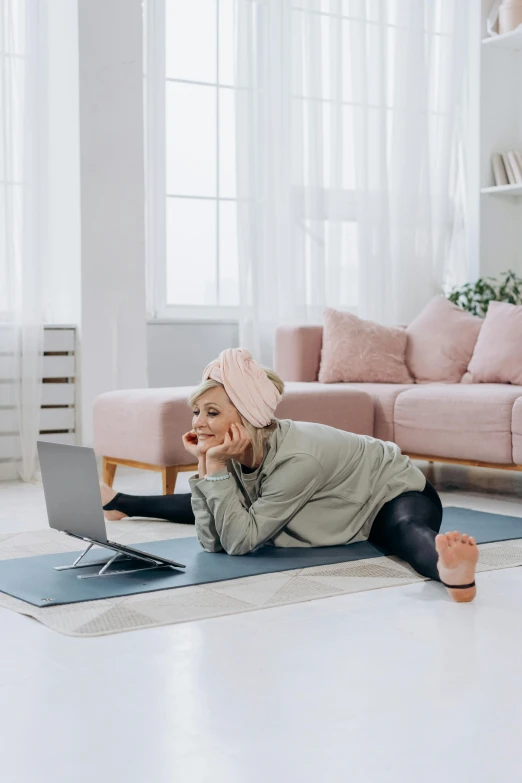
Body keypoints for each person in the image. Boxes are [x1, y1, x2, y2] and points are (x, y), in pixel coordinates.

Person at [101, 347, 478, 603]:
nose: (198, 424)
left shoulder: (299, 458)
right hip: (338, 503)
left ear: (247, 416)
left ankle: (451, 572)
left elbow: (239, 542)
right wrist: (207, 466)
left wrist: (211, 468)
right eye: (196, 412)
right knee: (232, 498)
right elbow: (212, 541)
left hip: (393, 491)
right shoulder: (234, 446)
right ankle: (119, 502)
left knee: (403, 530)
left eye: (211, 412)